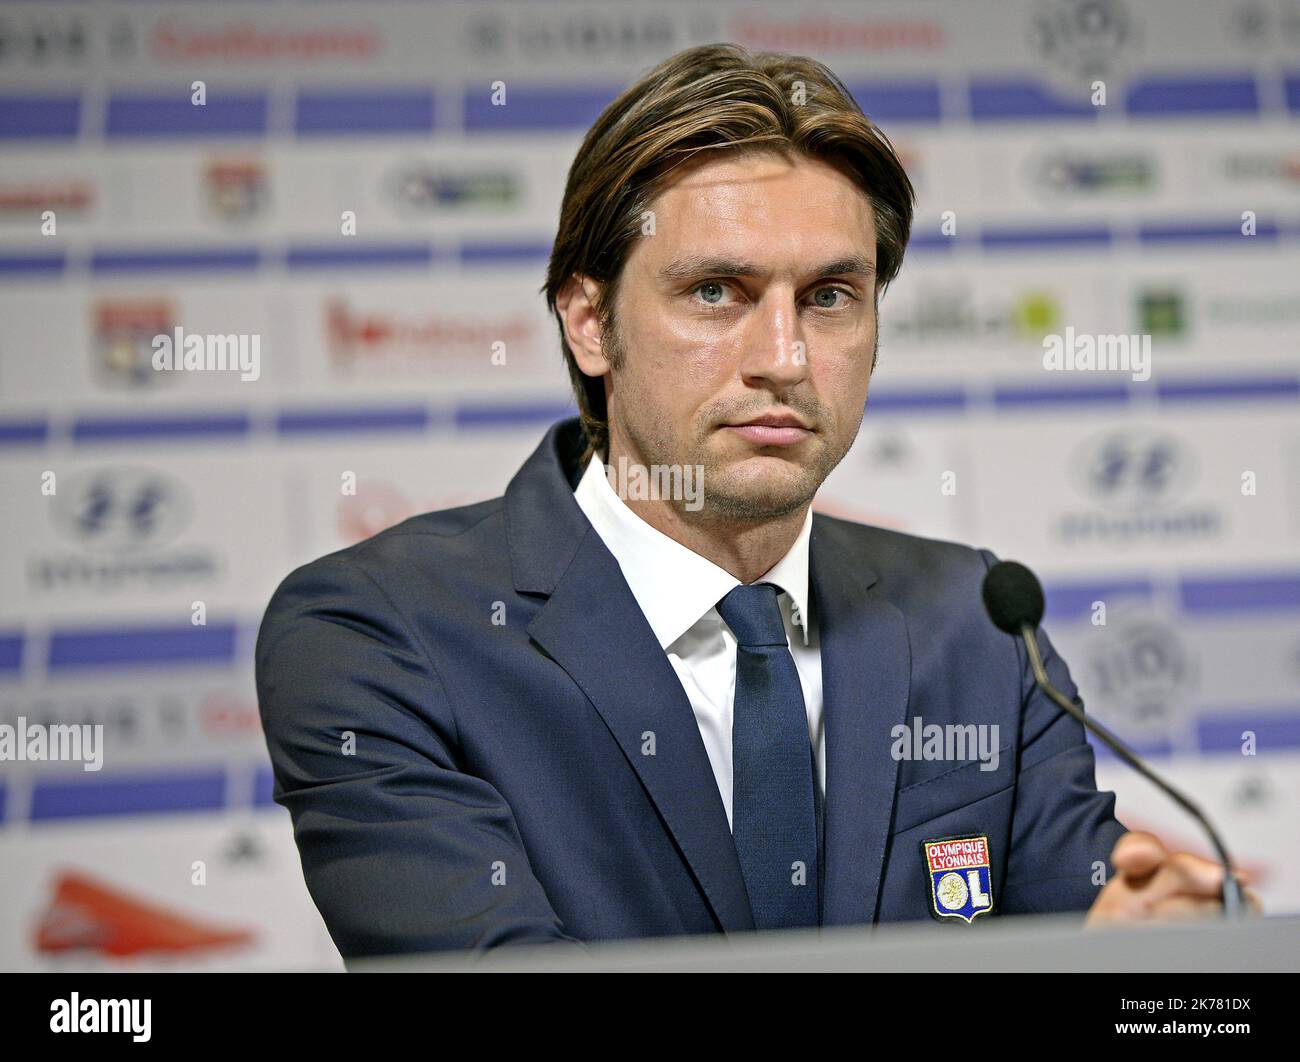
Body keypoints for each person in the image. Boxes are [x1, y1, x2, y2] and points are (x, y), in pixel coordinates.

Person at [255, 43, 1255, 959]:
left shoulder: (978, 624)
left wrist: (1154, 944)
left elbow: (1082, 917)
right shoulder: (380, 632)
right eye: (715, 293)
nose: (783, 360)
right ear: (589, 323)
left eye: (828, 297)